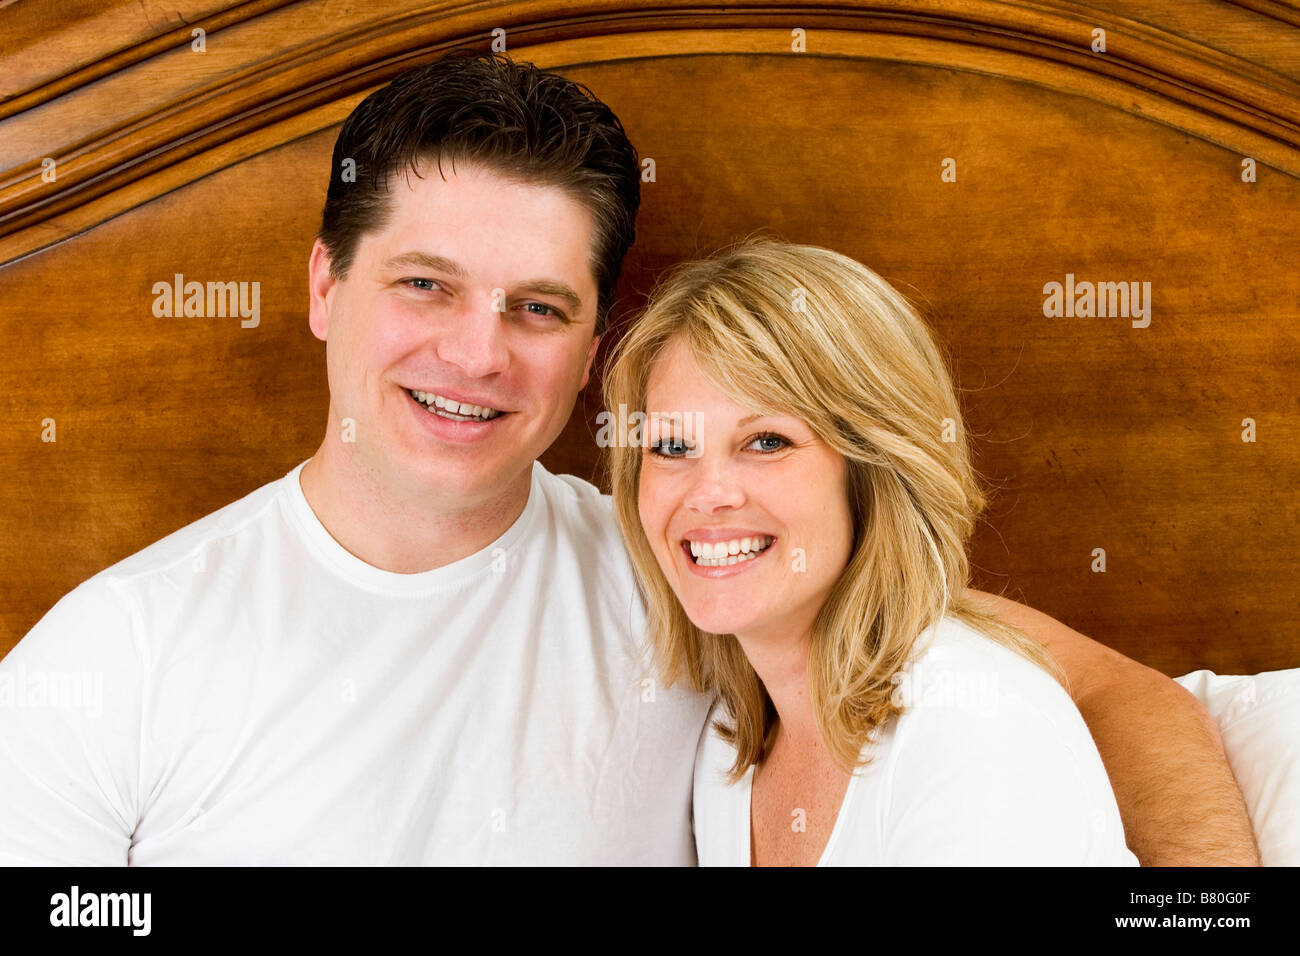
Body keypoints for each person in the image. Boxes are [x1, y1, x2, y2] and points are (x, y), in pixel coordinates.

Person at [0, 53, 1256, 865]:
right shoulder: (117, 651)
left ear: (593, 344)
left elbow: (1108, 695)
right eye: (425, 284)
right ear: (326, 285)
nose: (476, 353)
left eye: (537, 308)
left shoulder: (693, 564)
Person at [604, 239, 1145, 864]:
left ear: (872, 471)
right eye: (672, 448)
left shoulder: (974, 727)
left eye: (767, 441)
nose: (708, 494)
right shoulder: (729, 742)